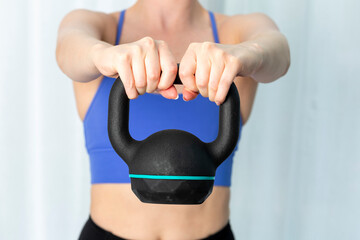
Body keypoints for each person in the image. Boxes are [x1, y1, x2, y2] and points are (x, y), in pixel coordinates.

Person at [56, 0, 290, 239]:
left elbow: (277, 50)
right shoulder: (101, 27)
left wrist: (246, 54)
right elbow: (68, 47)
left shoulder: (236, 32)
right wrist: (103, 55)